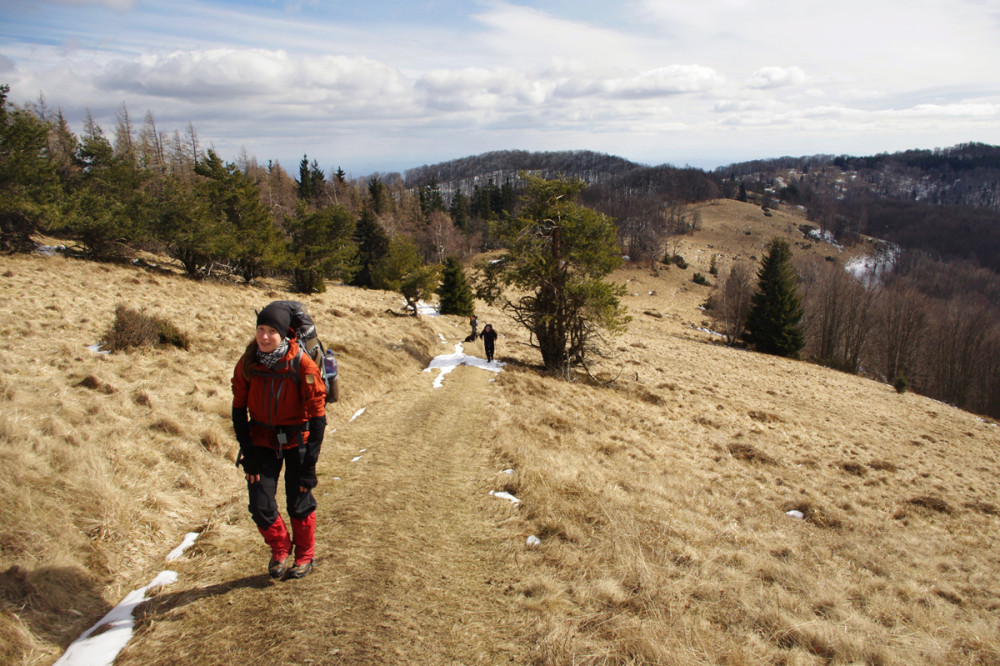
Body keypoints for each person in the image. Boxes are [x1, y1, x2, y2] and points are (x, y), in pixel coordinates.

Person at [232, 302, 327, 580]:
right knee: (260, 504)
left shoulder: (303, 364)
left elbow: (319, 418)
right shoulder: (248, 362)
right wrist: (248, 454)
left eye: (271, 331)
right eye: (260, 329)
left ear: (285, 334)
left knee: (300, 503)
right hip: (261, 441)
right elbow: (238, 410)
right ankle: (280, 546)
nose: (263, 336)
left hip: (298, 441)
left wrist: (310, 465)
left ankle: (305, 556)